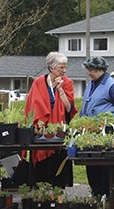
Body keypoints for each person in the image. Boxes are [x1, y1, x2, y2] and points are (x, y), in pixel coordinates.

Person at [24, 52, 77, 188]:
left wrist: (60, 91)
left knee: (57, 166)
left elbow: (69, 108)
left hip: (58, 132)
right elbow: (32, 107)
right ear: (51, 68)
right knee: (41, 170)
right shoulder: (38, 83)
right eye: (61, 68)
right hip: (41, 132)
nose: (64, 71)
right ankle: (41, 198)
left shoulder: (68, 83)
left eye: (65, 68)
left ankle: (56, 197)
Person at [79, 56, 114, 198]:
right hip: (90, 130)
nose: (90, 72)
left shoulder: (112, 85)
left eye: (93, 70)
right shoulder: (91, 84)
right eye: (88, 69)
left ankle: (109, 196)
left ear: (102, 70)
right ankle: (96, 193)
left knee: (106, 166)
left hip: (107, 131)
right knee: (91, 163)